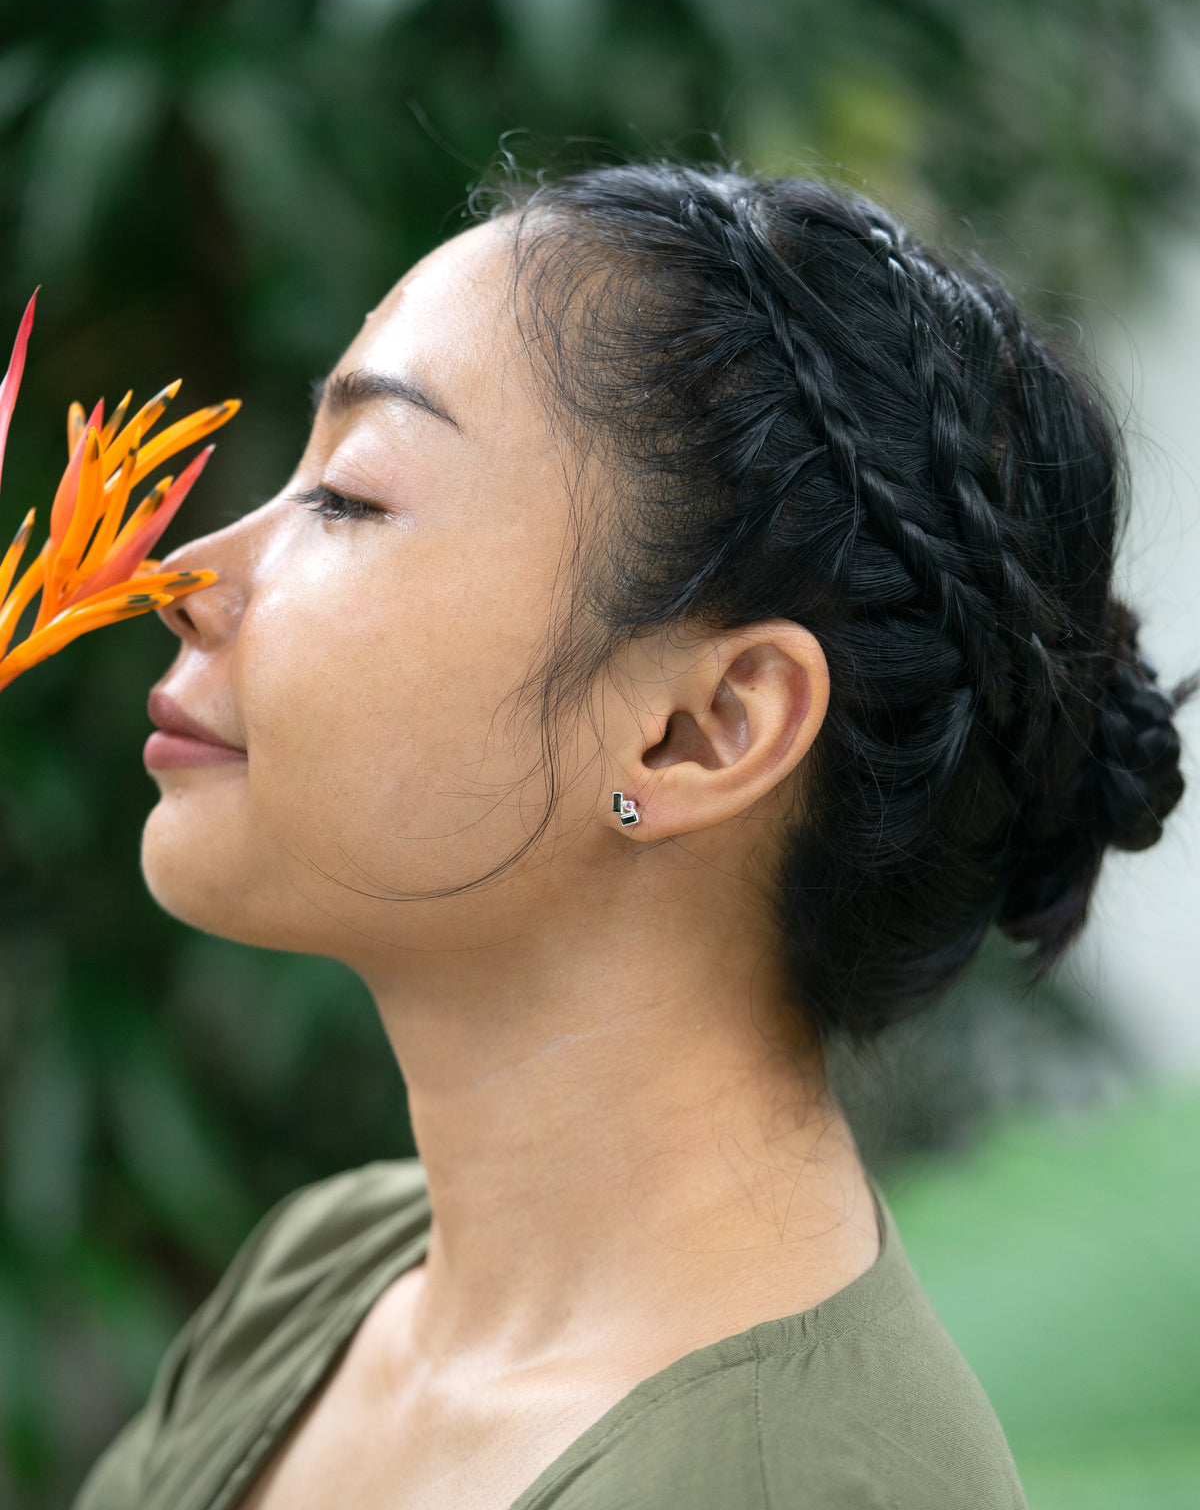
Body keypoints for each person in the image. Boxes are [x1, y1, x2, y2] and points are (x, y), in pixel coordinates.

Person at [73, 163, 1189, 1510]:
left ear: (702, 730)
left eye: (350, 498)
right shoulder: (331, 1278)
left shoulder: (785, 1487)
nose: (178, 575)